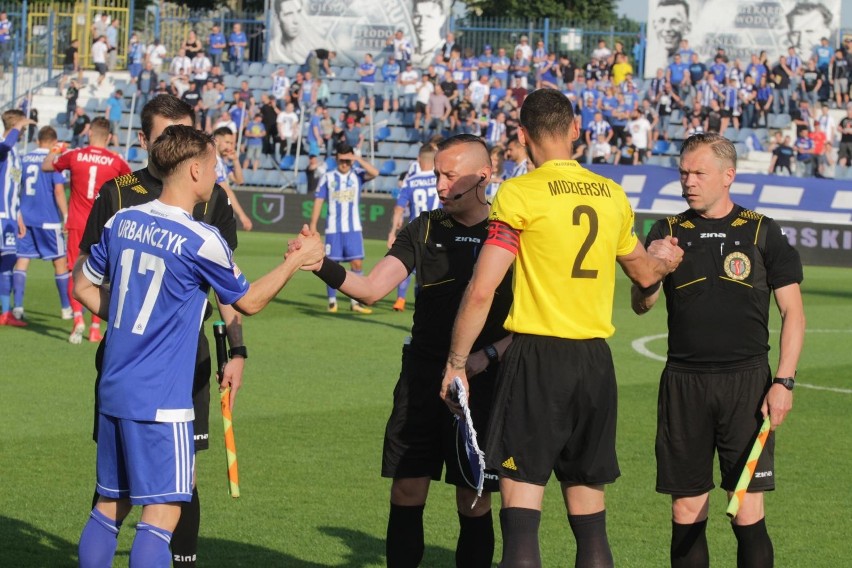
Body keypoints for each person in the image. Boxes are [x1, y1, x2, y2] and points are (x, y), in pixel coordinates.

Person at [439, 89, 683, 568]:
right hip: (595, 362)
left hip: (537, 360)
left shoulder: (520, 193)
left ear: (523, 137)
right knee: (591, 523)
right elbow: (644, 275)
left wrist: (455, 363)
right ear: (575, 130)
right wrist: (664, 260)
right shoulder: (612, 195)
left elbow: (482, 289)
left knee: (522, 518)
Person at [73, 124, 323, 568]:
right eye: (213, 165)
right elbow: (249, 301)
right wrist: (296, 261)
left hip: (113, 387)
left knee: (110, 506)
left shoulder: (122, 221)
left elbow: (82, 287)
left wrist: (131, 321)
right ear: (193, 170)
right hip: (162, 400)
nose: (217, 173)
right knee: (162, 514)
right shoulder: (200, 239)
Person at [293, 134, 512, 567]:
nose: (441, 186)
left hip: (482, 381)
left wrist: (485, 357)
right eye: (437, 176)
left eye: (451, 176)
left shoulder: (507, 231)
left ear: (483, 175)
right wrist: (321, 265)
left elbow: (531, 319)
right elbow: (372, 288)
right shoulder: (424, 227)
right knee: (407, 490)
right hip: (422, 375)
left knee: (474, 499)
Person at [77, 97, 247, 568]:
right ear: (150, 142)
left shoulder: (138, 215)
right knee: (167, 499)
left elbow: (81, 284)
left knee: (119, 500)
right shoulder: (117, 193)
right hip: (162, 382)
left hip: (139, 372)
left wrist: (237, 350)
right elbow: (243, 295)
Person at [632, 132, 804, 568]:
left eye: (699, 173)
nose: (688, 182)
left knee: (746, 509)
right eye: (683, 173)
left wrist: (783, 382)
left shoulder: (762, 231)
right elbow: (641, 306)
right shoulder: (666, 232)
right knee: (686, 510)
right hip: (683, 385)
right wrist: (652, 270)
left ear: (728, 176)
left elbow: (794, 314)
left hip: (746, 385)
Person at [42, 117, 131, 343]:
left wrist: (55, 149)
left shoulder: (75, 155)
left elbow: (47, 165)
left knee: (76, 269)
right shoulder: (115, 161)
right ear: (109, 137)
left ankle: (77, 321)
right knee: (100, 273)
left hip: (77, 222)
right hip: (105, 225)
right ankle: (94, 327)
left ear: (89, 133)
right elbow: (132, 185)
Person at [308, 143, 378, 314]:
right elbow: (318, 200)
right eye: (342, 159)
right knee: (332, 264)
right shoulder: (328, 177)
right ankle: (332, 301)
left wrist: (357, 159)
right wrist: (313, 224)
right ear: (336, 158)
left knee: (357, 263)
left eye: (348, 160)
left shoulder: (358, 175)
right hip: (333, 229)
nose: (345, 163)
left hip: (353, 229)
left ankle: (355, 302)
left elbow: (375, 173)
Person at [12, 126, 72, 322]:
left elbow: (14, 186)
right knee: (60, 262)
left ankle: (18, 307)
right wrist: (65, 214)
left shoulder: (23, 159)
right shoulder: (53, 161)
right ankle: (65, 308)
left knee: (22, 260)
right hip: (48, 221)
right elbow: (58, 190)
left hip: (25, 219)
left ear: (37, 141)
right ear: (54, 143)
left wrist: (17, 212)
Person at [386, 144, 439, 312]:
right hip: (438, 231)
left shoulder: (411, 181)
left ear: (418, 159)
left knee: (407, 266)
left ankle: (401, 299)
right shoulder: (440, 178)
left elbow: (399, 208)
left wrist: (392, 232)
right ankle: (426, 305)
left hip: (415, 230)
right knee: (431, 273)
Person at [0, 111, 35, 326]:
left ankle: (5, 313)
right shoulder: (4, 147)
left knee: (7, 264)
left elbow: (14, 189)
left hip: (11, 218)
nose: (23, 133)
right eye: (22, 129)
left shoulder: (16, 154)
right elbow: (4, 145)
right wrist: (17, 126)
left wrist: (19, 215)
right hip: (0, 216)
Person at [412, 0, 450, 68]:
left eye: (429, 17)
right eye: (417, 16)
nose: (422, 23)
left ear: (442, 19)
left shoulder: (443, 49)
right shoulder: (412, 51)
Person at [0, 11, 12, 79]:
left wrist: (3, 31)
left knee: (5, 54)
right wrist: (3, 31)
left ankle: (6, 67)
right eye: (1, 15)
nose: (2, 17)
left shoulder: (9, 23)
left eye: (4, 15)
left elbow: (8, 30)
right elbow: (4, 30)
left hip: (5, 41)